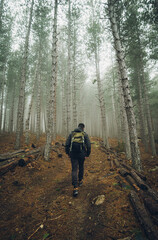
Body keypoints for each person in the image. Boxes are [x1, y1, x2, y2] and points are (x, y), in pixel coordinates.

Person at [65, 123, 91, 197]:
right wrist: (87, 154)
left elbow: (67, 144)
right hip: (82, 154)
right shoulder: (84, 134)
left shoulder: (72, 134)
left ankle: (75, 187)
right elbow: (89, 146)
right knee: (81, 167)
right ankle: (80, 180)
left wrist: (68, 153)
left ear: (78, 127)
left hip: (73, 154)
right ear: (83, 128)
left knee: (74, 169)